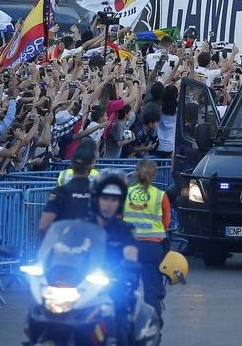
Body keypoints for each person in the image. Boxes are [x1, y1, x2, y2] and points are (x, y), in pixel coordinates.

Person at [87, 173, 140, 346]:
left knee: (121, 327)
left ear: (119, 203)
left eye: (114, 199)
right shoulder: (83, 225)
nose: (109, 204)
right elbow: (64, 246)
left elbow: (131, 252)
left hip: (113, 286)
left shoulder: (125, 229)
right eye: (105, 198)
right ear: (96, 199)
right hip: (81, 284)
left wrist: (129, 266)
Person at [123, 159, 171, 318]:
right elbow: (166, 222)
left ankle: (126, 322)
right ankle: (153, 323)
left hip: (130, 246)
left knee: (126, 288)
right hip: (153, 248)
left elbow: (119, 217)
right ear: (154, 175)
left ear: (136, 173)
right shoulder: (160, 195)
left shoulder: (126, 194)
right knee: (152, 291)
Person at [39, 139, 98, 235]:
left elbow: (43, 226)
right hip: (88, 233)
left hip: (64, 231)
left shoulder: (63, 176)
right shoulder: (99, 178)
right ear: (92, 162)